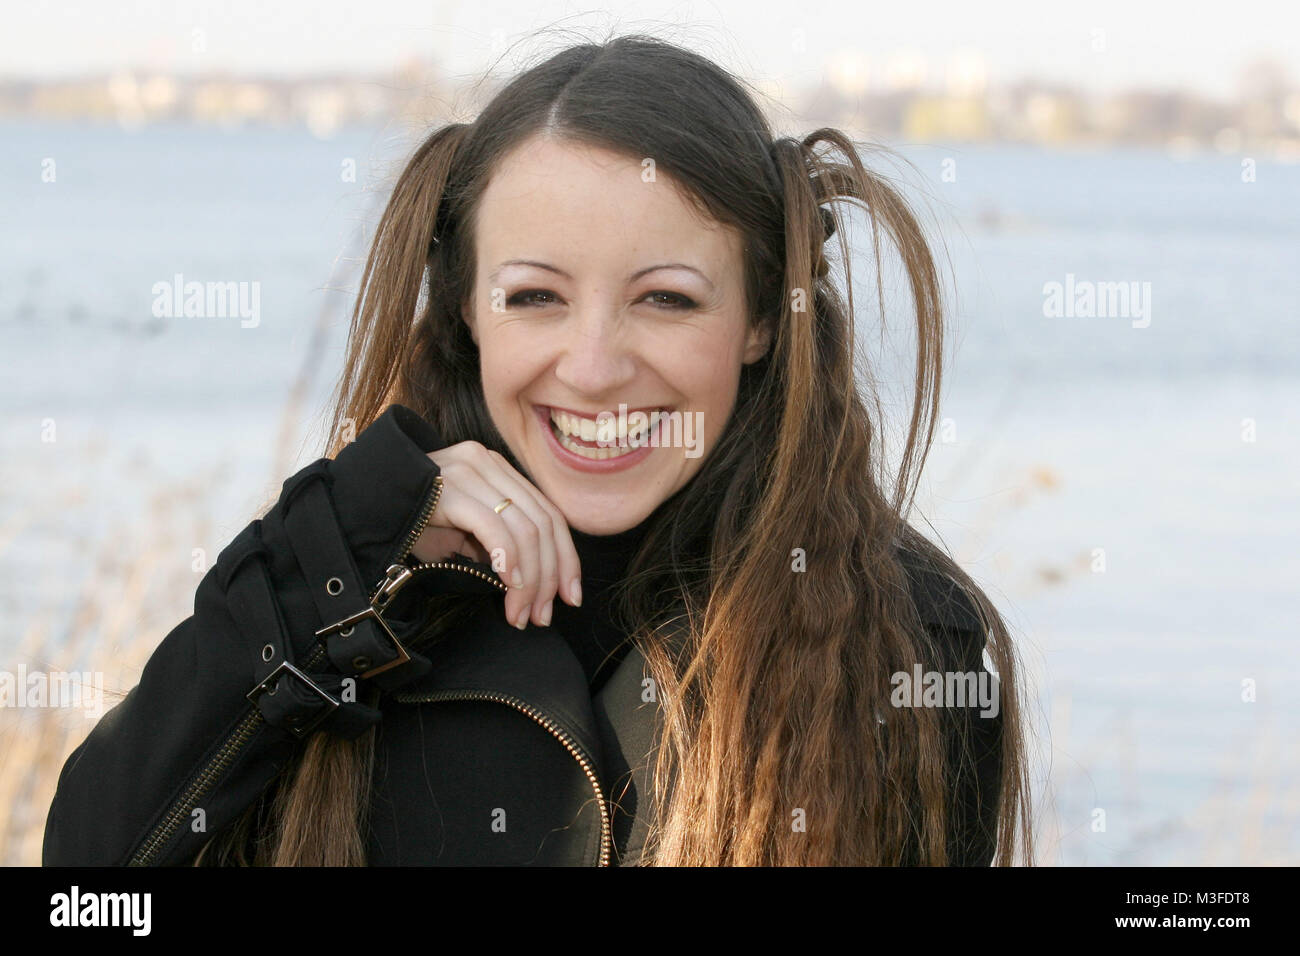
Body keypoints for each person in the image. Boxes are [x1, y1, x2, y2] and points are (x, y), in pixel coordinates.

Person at [42, 34, 1033, 867]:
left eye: (666, 297)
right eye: (534, 296)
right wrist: (335, 563)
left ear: (764, 318)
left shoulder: (906, 640)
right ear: (469, 310)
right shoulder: (361, 584)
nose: (594, 367)